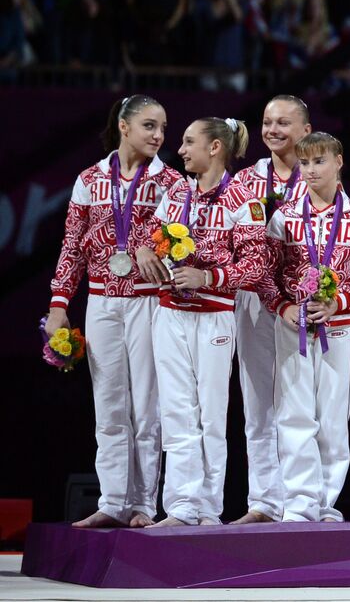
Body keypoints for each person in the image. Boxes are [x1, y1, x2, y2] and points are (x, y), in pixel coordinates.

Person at [47, 95, 183, 528]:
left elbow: (180, 237)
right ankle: (112, 501)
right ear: (123, 126)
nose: (158, 135)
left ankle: (143, 504)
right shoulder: (89, 179)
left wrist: (154, 242)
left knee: (146, 406)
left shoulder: (171, 183)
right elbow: (72, 246)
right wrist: (58, 305)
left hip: (148, 301)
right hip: (102, 302)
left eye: (162, 127)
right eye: (148, 126)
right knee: (108, 406)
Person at [150, 117, 268, 527]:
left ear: (215, 148)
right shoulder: (175, 193)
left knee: (211, 416)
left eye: (188, 142)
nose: (180, 150)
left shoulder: (244, 199)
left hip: (214, 317)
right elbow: (150, 237)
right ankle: (181, 508)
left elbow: (256, 265)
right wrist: (152, 255)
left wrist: (207, 277)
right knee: (177, 413)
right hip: (169, 313)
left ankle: (208, 510)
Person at [266, 132, 350, 522]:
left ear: (338, 162)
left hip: (339, 327)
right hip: (293, 326)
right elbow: (265, 274)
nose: (311, 170)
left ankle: (325, 503)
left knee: (333, 417)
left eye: (319, 161)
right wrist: (282, 305)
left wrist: (339, 303)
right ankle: (299, 504)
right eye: (304, 163)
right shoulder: (284, 216)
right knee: (295, 414)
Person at [226, 95, 313, 524]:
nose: (273, 129)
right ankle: (263, 501)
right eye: (267, 121)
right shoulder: (243, 180)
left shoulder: (319, 175)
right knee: (258, 400)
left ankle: (300, 500)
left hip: (300, 303)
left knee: (298, 402)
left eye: (283, 122)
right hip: (255, 300)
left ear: (306, 131)